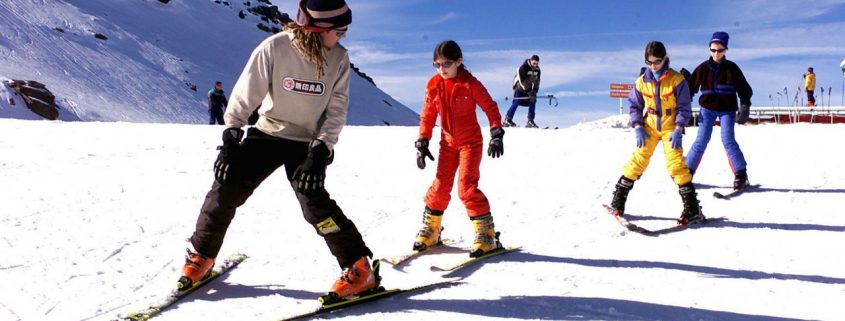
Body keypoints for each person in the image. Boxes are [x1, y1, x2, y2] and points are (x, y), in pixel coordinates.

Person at [179, 0, 378, 300]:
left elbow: (336, 110)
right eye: (339, 30)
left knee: (315, 205)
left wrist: (321, 151)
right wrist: (231, 136)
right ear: (317, 28)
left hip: (308, 144)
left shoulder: (338, 58)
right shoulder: (275, 48)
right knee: (226, 187)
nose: (343, 37)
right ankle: (201, 255)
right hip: (268, 133)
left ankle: (359, 268)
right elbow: (247, 92)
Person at [414, 40, 506, 257]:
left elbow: (490, 107)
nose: (441, 69)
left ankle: (487, 234)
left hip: (470, 144)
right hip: (447, 144)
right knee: (440, 186)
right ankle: (432, 230)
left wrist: (496, 133)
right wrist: (422, 141)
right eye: (436, 64)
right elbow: (428, 115)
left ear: (458, 61)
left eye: (446, 64)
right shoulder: (433, 84)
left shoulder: (470, 84)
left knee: (466, 188)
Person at [607, 41, 705, 225]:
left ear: (665, 58)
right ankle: (618, 201)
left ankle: (692, 208)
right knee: (638, 160)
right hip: (649, 127)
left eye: (657, 61)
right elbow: (635, 106)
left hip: (670, 128)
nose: (653, 66)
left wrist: (678, 128)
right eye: (649, 62)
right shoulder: (641, 82)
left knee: (676, 165)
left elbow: (684, 108)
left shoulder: (677, 80)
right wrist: (637, 126)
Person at [685, 31, 753, 191]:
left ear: (726, 50)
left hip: (727, 110)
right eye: (713, 50)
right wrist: (684, 105)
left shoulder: (732, 68)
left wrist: (745, 105)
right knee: (701, 140)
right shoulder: (703, 68)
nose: (716, 53)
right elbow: (690, 89)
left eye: (720, 50)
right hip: (707, 110)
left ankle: (741, 175)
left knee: (728, 140)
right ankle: (686, 172)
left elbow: (744, 89)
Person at [504, 55, 541, 128]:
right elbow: (522, 81)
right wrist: (529, 91)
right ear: (531, 61)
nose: (535, 65)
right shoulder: (524, 67)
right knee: (516, 102)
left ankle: (530, 121)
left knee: (533, 99)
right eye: (534, 63)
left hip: (528, 88)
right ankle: (508, 120)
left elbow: (537, 82)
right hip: (519, 87)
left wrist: (534, 92)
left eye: (537, 64)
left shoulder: (538, 70)